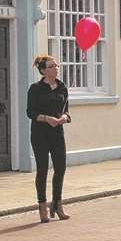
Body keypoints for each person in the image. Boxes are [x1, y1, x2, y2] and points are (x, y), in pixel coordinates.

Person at [26, 55, 71, 223]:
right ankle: (42, 206)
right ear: (44, 70)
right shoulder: (35, 89)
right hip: (40, 133)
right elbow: (30, 112)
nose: (56, 68)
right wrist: (47, 118)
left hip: (57, 133)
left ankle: (57, 204)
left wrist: (64, 118)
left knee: (60, 168)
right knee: (42, 169)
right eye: (52, 66)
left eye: (57, 65)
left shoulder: (62, 87)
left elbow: (66, 109)